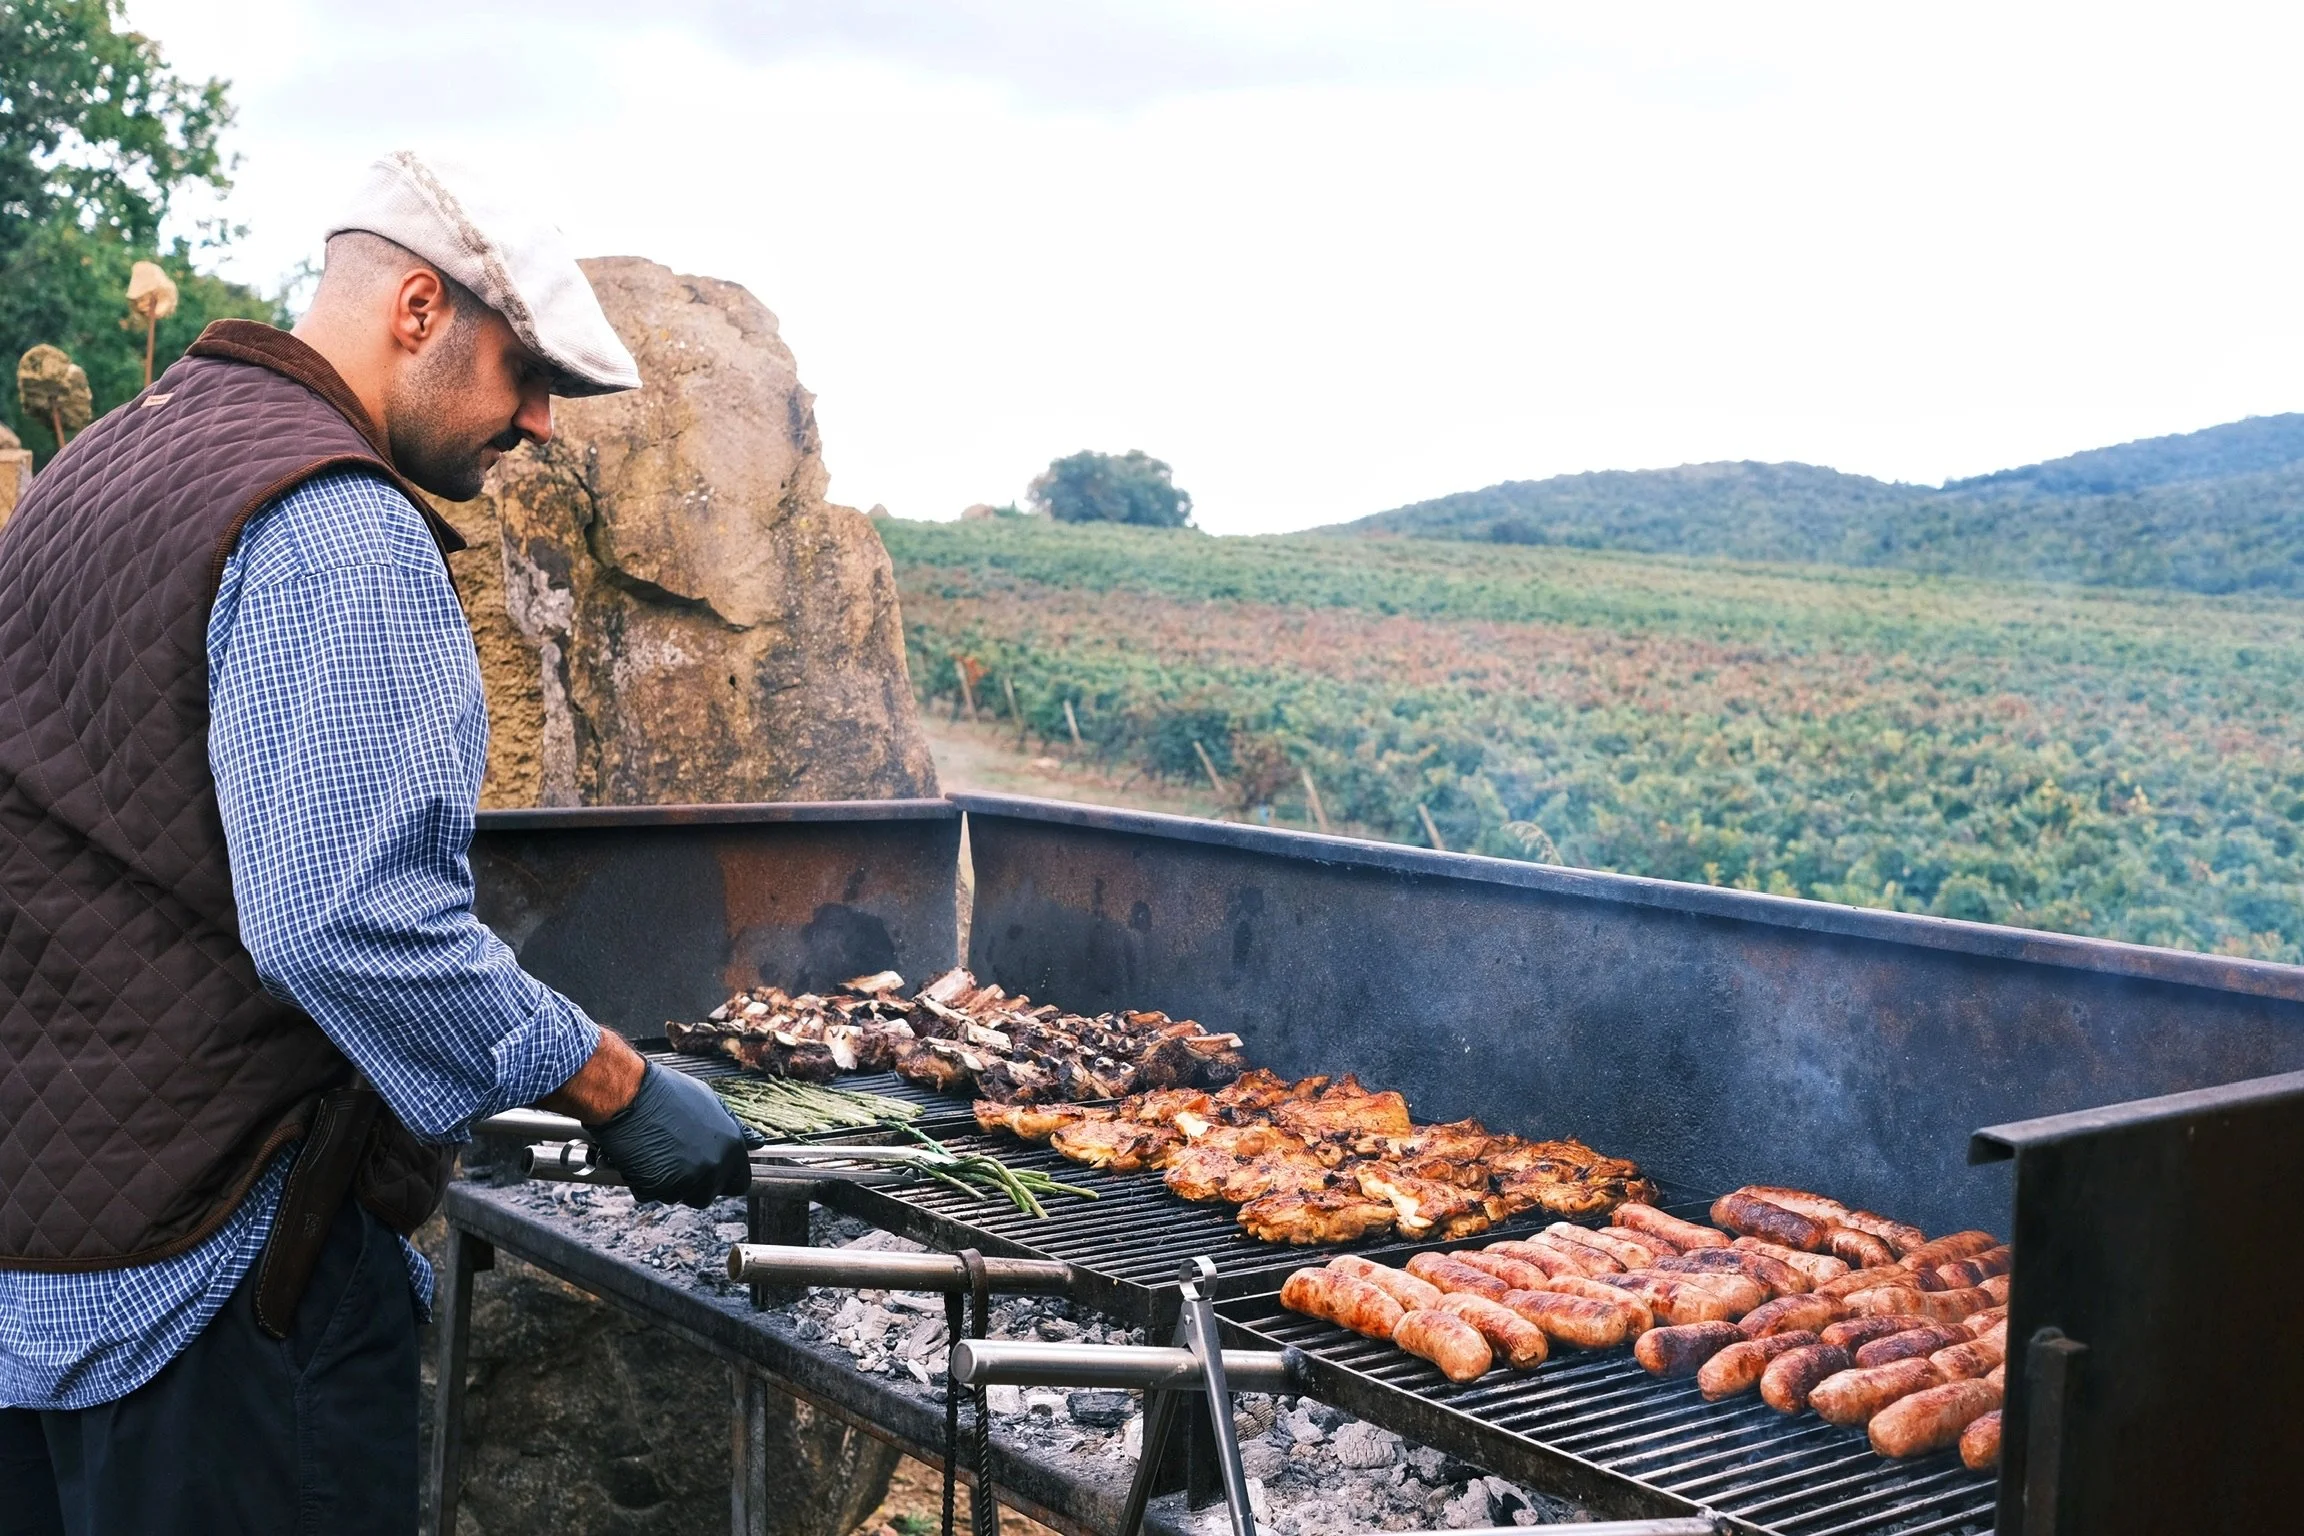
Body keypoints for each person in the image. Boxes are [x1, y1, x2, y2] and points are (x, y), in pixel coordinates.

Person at [0, 151, 751, 1534]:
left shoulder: (110, 454)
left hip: (45, 1256)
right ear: (418, 309)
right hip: (218, 1281)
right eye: (524, 372)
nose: (536, 424)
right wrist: (617, 1086)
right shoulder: (333, 524)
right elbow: (343, 921)